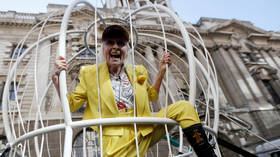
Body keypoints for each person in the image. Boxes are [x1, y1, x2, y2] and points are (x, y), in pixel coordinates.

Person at [52, 25, 217, 157]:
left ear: (127, 50)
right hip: (118, 135)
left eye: (121, 43)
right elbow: (72, 105)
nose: (116, 46)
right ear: (103, 48)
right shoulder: (89, 73)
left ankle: (206, 153)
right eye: (110, 43)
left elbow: (152, 95)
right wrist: (57, 81)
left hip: (144, 125)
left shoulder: (137, 71)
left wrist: (161, 71)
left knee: (184, 107)